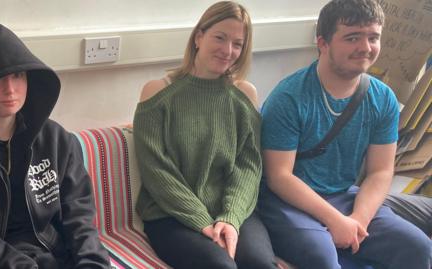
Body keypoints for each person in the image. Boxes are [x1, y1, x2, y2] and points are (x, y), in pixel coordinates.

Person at [258, 0, 432, 268]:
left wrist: (358, 220)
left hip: (345, 197)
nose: (365, 47)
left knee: (418, 249)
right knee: (323, 258)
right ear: (323, 43)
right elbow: (279, 176)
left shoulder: (383, 98)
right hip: (289, 203)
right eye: (352, 38)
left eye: (373, 37)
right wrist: (335, 221)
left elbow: (380, 171)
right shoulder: (289, 97)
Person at [0, 19, 110, 268]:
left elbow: (79, 219)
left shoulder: (57, 141)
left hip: (55, 256)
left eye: (18, 75)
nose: (10, 89)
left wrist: (93, 264)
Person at [133, 1, 278, 269]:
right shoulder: (157, 92)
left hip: (233, 211)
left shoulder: (245, 95)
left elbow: (249, 166)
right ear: (199, 37)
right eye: (220, 38)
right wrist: (203, 222)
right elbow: (157, 171)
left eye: (237, 44)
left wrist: (231, 218)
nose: (228, 50)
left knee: (260, 263)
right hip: (170, 215)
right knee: (221, 265)